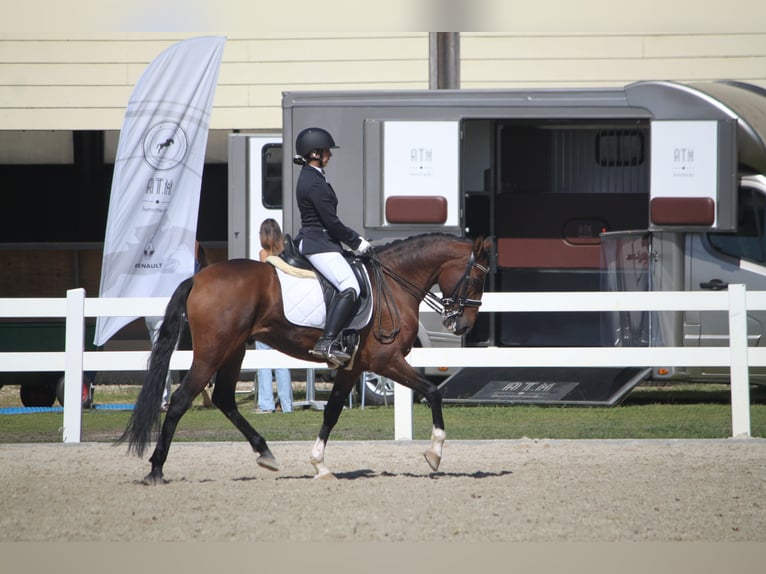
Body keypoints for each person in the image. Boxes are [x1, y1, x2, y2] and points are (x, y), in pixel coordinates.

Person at [292, 127, 372, 367]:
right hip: (319, 243)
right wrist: (356, 241)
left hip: (321, 241)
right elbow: (331, 222)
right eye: (326, 151)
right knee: (350, 286)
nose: (330, 155)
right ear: (315, 152)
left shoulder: (313, 176)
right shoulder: (313, 182)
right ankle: (327, 341)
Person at [147, 240, 210, 412]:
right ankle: (164, 397)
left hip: (174, 309)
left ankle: (164, 397)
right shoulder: (189, 250)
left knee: (165, 353)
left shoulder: (157, 250)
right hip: (179, 310)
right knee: (170, 354)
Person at [255, 218, 293, 413]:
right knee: (282, 360)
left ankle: (266, 403)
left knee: (264, 360)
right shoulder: (284, 255)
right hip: (283, 309)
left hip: (267, 311)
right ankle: (286, 404)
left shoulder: (263, 255)